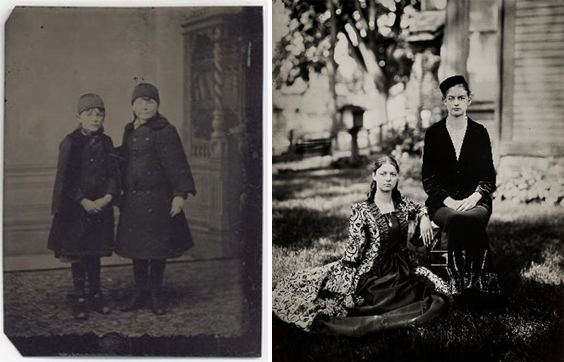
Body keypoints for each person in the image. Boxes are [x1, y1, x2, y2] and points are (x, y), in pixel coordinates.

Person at [272, 156, 451, 337]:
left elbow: (420, 208)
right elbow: (352, 254)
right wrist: (345, 283)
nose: (388, 178)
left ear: (397, 178)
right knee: (355, 304)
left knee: (438, 294)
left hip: (402, 269)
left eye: (392, 174)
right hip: (373, 274)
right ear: (374, 176)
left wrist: (424, 218)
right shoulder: (362, 211)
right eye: (383, 174)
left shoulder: (402, 204)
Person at [116, 83, 196, 315]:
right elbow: (124, 162)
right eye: (139, 102)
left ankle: (155, 293)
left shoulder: (166, 130)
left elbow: (177, 163)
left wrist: (179, 195)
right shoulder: (129, 131)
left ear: (157, 105)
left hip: (159, 199)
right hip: (133, 200)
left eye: (150, 101)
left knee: (157, 249)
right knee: (138, 249)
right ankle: (140, 292)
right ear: (133, 106)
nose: (145, 106)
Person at [422, 75, 500, 303]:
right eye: (451, 98)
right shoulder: (434, 134)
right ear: (444, 101)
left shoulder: (480, 133)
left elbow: (488, 177)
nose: (456, 103)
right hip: (442, 203)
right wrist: (449, 201)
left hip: (477, 201)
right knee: (456, 219)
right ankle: (459, 286)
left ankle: (477, 285)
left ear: (469, 100)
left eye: (461, 98)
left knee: (471, 219)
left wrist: (475, 197)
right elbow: (428, 179)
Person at [48, 93, 119, 320]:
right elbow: (66, 179)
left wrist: (108, 197)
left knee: (94, 251)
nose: (95, 119)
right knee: (78, 253)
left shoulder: (107, 142)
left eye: (99, 114)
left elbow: (113, 173)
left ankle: (95, 293)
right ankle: (79, 295)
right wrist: (83, 200)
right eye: (89, 114)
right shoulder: (71, 142)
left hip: (100, 207)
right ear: (78, 117)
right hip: (77, 209)